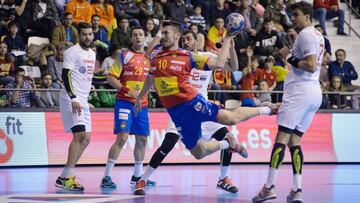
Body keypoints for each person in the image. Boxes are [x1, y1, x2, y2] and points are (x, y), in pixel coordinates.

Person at [134, 21, 278, 195]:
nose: (187, 42)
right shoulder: (159, 56)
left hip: (197, 105)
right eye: (185, 39)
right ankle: (227, 144)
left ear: (195, 41)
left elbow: (231, 67)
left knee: (229, 123)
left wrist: (229, 43)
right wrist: (140, 97)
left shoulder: (198, 57)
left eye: (189, 39)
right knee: (196, 152)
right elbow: (150, 76)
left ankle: (266, 109)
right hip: (178, 113)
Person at [252, 2, 325, 202]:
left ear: (308, 17)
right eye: (292, 15)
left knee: (281, 139)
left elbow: (309, 66)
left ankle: (269, 187)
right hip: (312, 93)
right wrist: (295, 47)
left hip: (300, 92)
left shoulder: (307, 34)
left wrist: (290, 58)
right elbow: (312, 63)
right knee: (295, 141)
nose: (293, 19)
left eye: (296, 15)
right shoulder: (317, 35)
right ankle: (297, 190)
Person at [100, 26, 156, 189]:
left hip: (142, 105)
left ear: (145, 38)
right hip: (125, 102)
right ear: (130, 39)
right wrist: (126, 90)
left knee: (142, 139)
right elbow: (111, 78)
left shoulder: (150, 58)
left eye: (141, 34)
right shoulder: (124, 55)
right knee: (122, 137)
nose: (138, 37)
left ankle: (137, 176)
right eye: (135, 35)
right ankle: (106, 177)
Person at [55, 22, 96, 191]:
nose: (88, 37)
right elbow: (66, 75)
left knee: (86, 139)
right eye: (84, 34)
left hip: (84, 100)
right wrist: (73, 98)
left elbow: (84, 75)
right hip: (71, 99)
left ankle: (64, 176)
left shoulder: (92, 54)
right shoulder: (71, 52)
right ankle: (69, 178)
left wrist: (88, 92)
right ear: (78, 36)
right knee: (79, 136)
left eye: (90, 34)